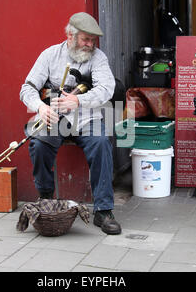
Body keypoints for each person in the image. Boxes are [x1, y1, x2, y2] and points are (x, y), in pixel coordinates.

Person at [19, 12, 121, 235]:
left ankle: (103, 210)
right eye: (85, 39)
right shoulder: (49, 55)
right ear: (70, 36)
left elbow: (106, 89)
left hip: (87, 118)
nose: (90, 45)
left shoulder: (98, 58)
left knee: (101, 143)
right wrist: (40, 107)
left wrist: (78, 100)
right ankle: (46, 198)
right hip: (55, 118)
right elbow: (27, 88)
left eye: (92, 40)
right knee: (38, 144)